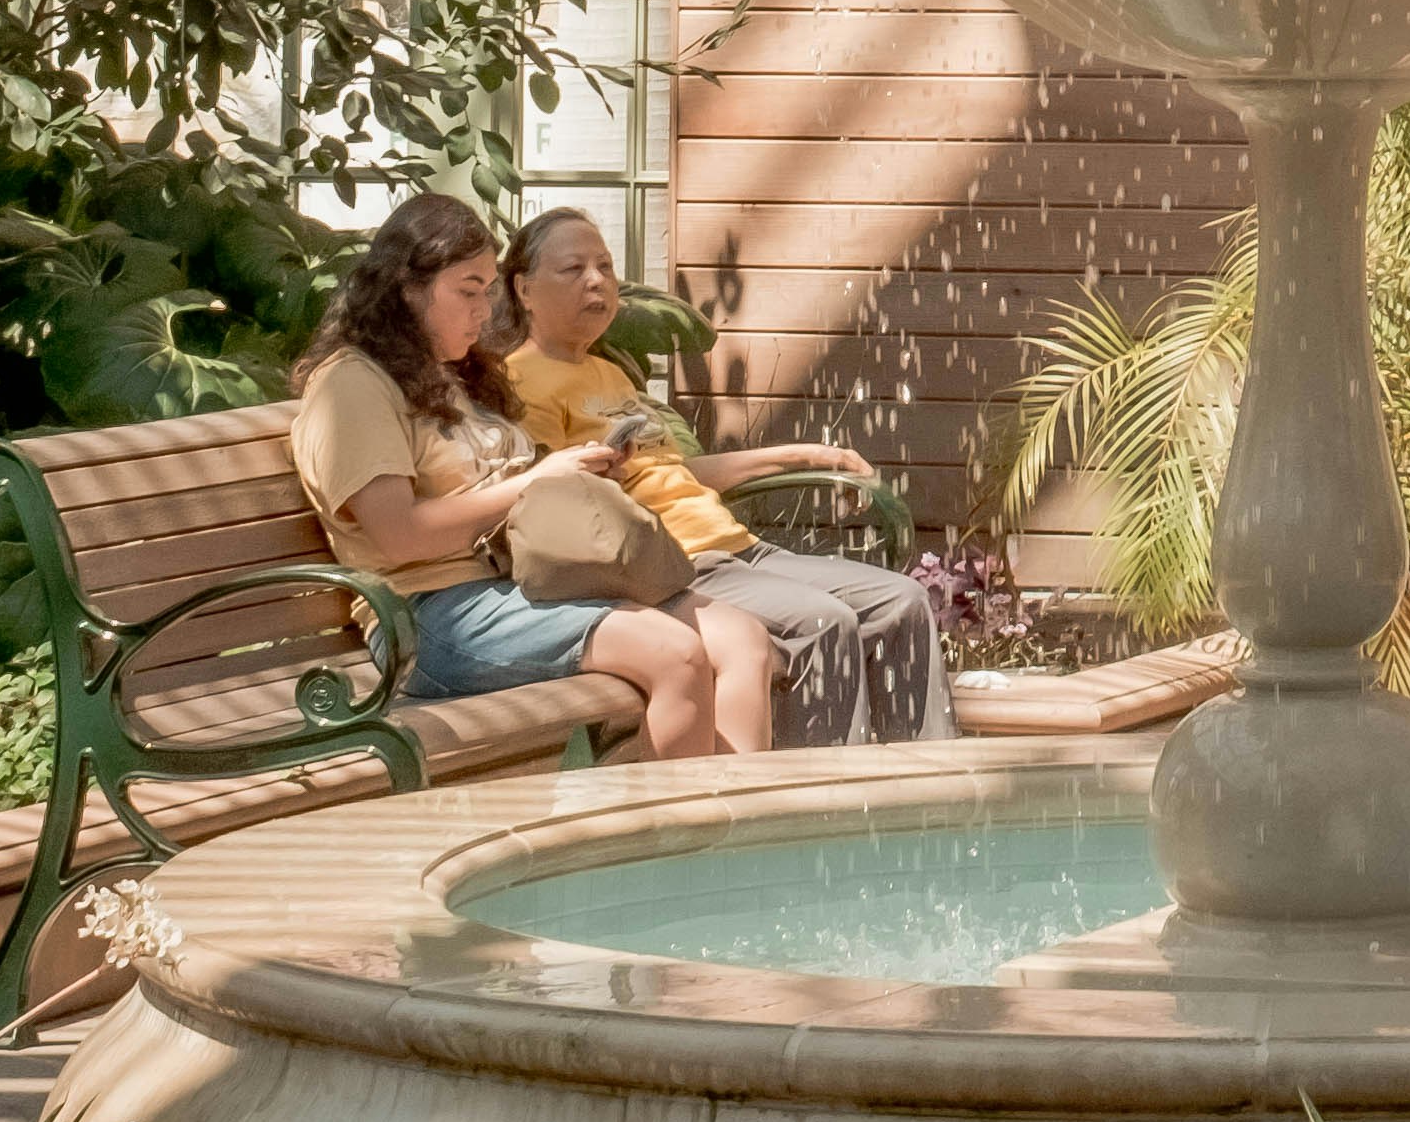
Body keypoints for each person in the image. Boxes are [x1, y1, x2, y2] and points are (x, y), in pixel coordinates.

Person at [288, 191, 779, 759]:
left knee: (742, 639)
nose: (485, 311)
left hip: (523, 582)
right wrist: (537, 481)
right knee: (674, 654)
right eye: (468, 291)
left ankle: (727, 827)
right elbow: (400, 537)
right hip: (428, 614)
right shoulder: (352, 386)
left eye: (487, 292)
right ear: (406, 287)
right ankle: (666, 839)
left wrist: (582, 472)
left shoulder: (451, 375)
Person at [498, 208, 951, 746]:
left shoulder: (607, 372)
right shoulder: (520, 381)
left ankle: (924, 797)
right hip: (673, 566)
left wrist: (796, 455)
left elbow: (672, 472)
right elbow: (548, 505)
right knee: (822, 623)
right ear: (524, 290)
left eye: (605, 266)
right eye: (573, 269)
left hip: (737, 549)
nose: (596, 281)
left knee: (903, 602)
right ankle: (820, 808)